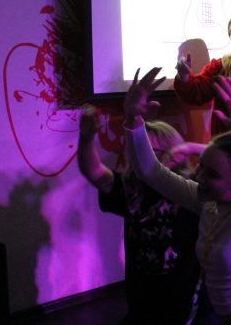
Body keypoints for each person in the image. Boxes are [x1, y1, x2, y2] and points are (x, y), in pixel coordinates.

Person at [124, 68, 231, 324]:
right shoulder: (207, 201)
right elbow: (150, 171)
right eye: (202, 167)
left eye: (214, 174)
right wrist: (133, 119)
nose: (200, 177)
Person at [77, 106, 214, 324]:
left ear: (173, 152)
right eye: (138, 152)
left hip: (186, 306)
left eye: (152, 152)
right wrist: (86, 138)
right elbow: (93, 171)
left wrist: (190, 147)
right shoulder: (132, 188)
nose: (144, 159)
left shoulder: (191, 189)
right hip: (142, 304)